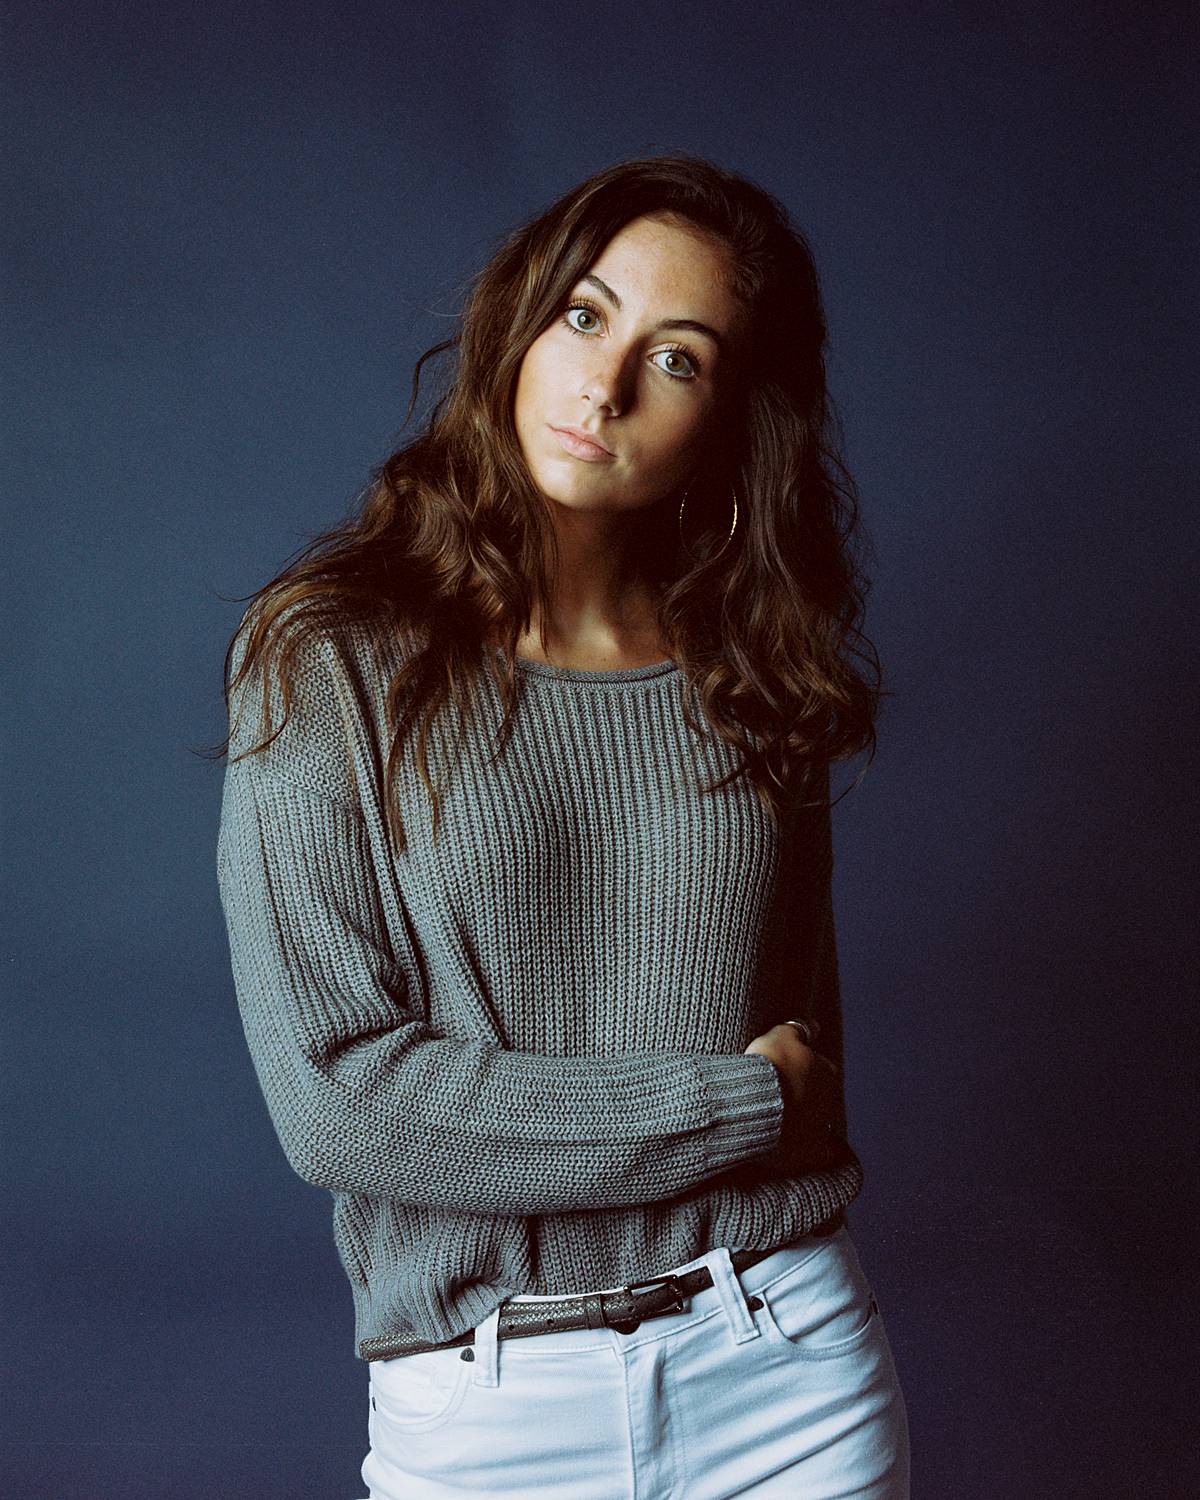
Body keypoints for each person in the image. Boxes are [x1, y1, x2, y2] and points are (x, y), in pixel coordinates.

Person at [213, 153, 911, 1498]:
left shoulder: (757, 663)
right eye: (586, 316)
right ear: (521, 322)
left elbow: (807, 1061)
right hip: (488, 1395)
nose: (607, 387)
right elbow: (340, 1103)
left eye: (681, 358)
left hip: (785, 1366)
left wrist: (770, 1109)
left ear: (730, 416)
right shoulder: (325, 659)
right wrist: (727, 1105)